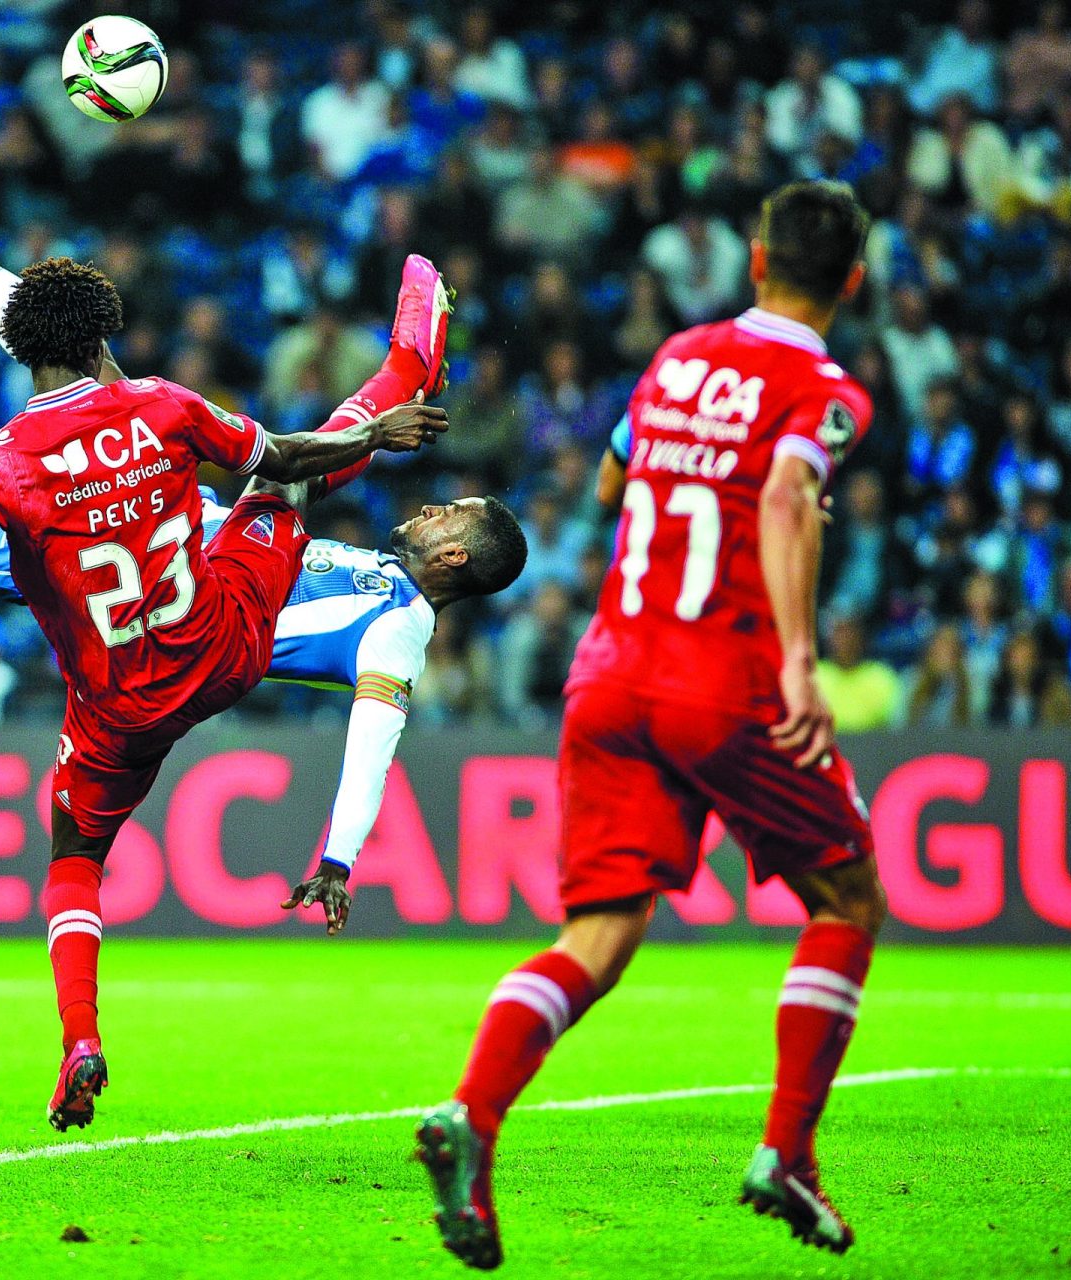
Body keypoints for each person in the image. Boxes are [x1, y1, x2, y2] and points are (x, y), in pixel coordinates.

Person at [0, 121, 449, 1133]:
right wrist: (377, 424)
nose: (438, 521)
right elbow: (284, 458)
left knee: (68, 839)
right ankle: (404, 370)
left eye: (451, 524)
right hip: (208, 619)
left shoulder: (8, 456)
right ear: (105, 338)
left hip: (116, 649)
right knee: (291, 482)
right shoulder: (164, 409)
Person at [0, 148, 526, 936]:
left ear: (456, 559)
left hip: (152, 616)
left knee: (269, 462)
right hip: (171, 545)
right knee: (77, 393)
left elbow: (371, 747)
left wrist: (339, 859)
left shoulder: (401, 629)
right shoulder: (379, 569)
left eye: (454, 514)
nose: (434, 509)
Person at [417, 181, 888, 1268]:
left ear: (758, 259)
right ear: (851, 281)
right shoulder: (825, 389)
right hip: (720, 673)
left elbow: (613, 471)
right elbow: (780, 498)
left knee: (605, 927)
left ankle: (472, 1115)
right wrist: (805, 662)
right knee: (848, 894)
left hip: (610, 668)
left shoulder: (678, 355)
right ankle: (786, 1150)